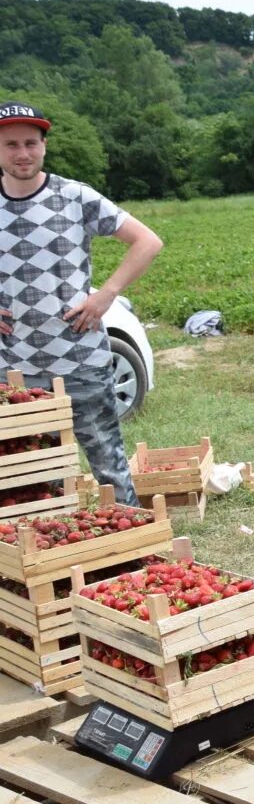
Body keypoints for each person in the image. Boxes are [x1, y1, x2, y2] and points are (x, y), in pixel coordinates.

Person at [0, 102, 163, 504]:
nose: (23, 153)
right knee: (35, 476)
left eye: (31, 143)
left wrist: (106, 294)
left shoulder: (74, 196)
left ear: (44, 146)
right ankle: (49, 562)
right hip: (13, 369)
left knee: (108, 464)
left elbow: (148, 241)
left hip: (81, 358)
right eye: (11, 144)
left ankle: (132, 554)